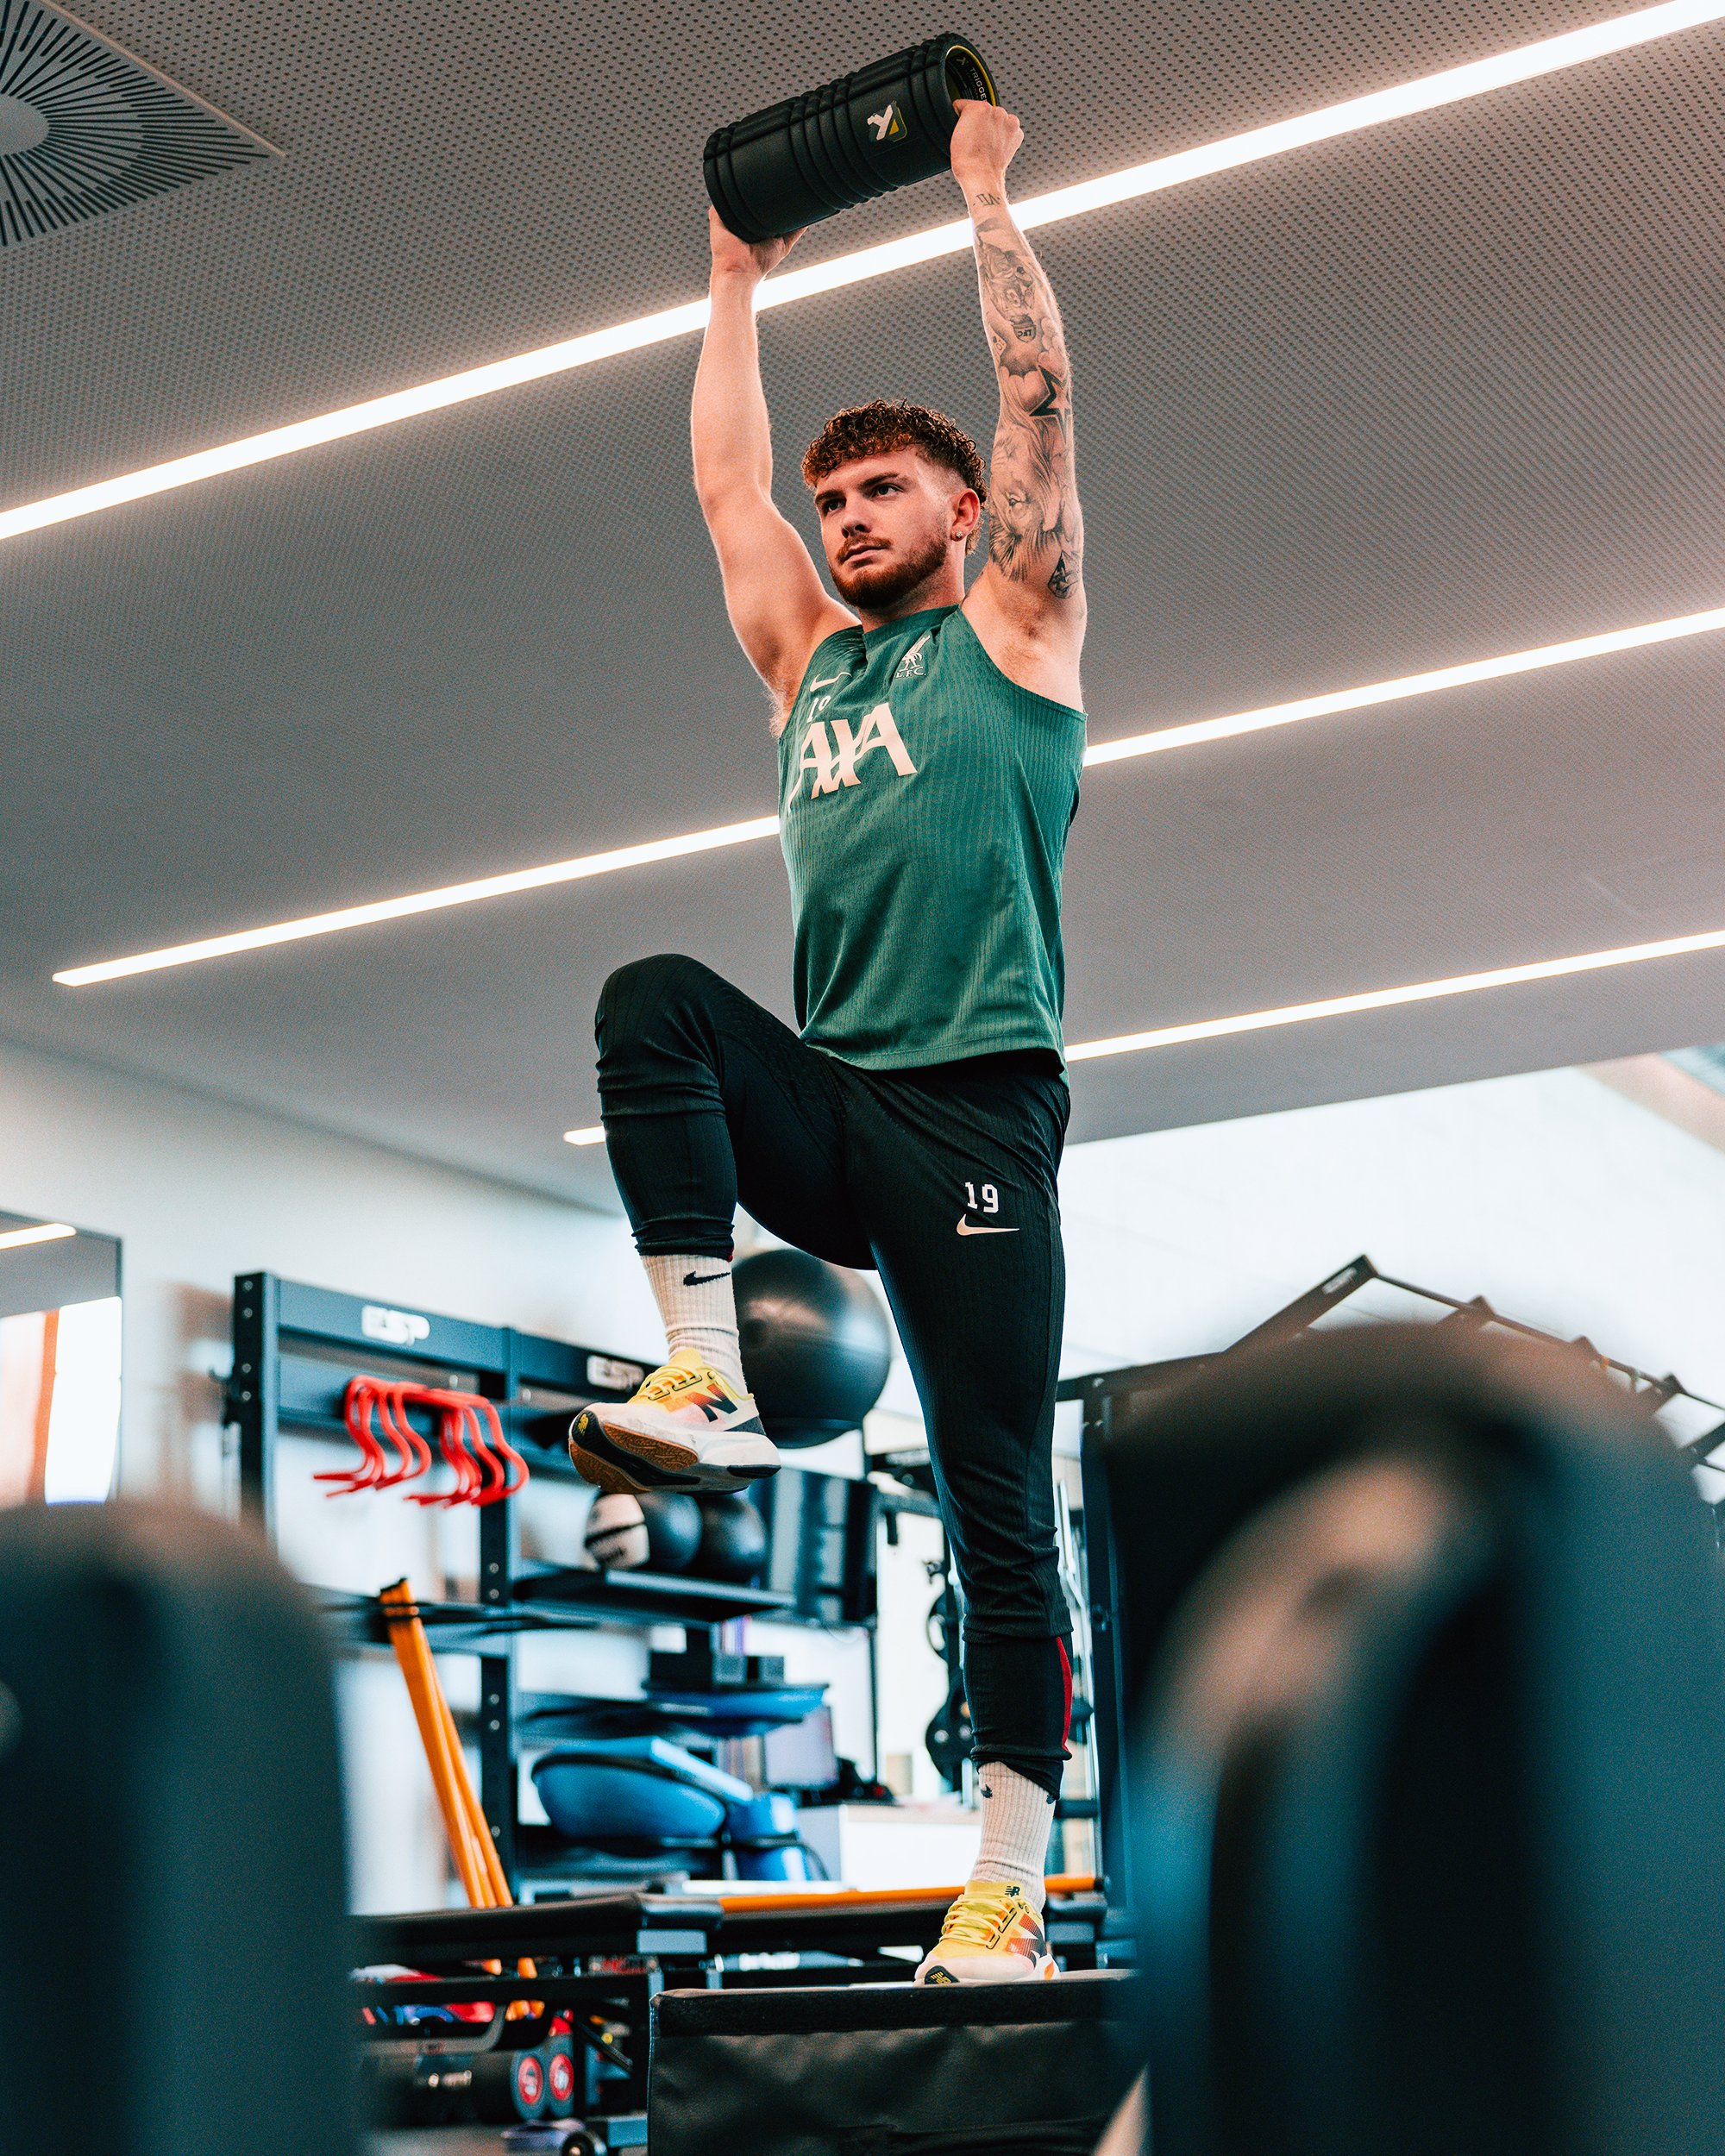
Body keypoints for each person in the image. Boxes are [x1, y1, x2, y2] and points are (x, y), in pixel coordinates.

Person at [569, 97, 1086, 1984]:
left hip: (972, 1133)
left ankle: (1006, 1883)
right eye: (838, 494)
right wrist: (728, 278)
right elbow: (724, 489)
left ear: (958, 518)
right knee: (656, 1005)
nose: (847, 516)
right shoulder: (808, 659)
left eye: (882, 493)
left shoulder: (1015, 637)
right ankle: (700, 1365)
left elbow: (1039, 410)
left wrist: (980, 195)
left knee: (993, 1508)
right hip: (835, 1090)